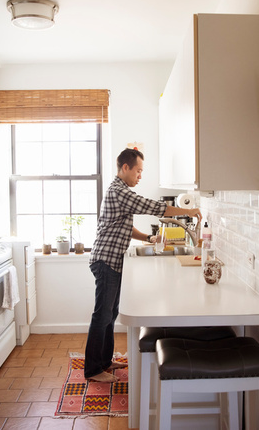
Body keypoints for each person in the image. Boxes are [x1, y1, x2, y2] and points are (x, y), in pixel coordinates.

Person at [84, 148, 202, 382]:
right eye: (138, 171)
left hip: (111, 260)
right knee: (102, 315)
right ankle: (93, 369)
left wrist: (149, 239)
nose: (140, 176)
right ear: (125, 168)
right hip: (106, 260)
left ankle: (105, 362)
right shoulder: (120, 192)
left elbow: (124, 227)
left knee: (110, 313)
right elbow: (154, 207)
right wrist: (188, 211)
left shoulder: (120, 191)